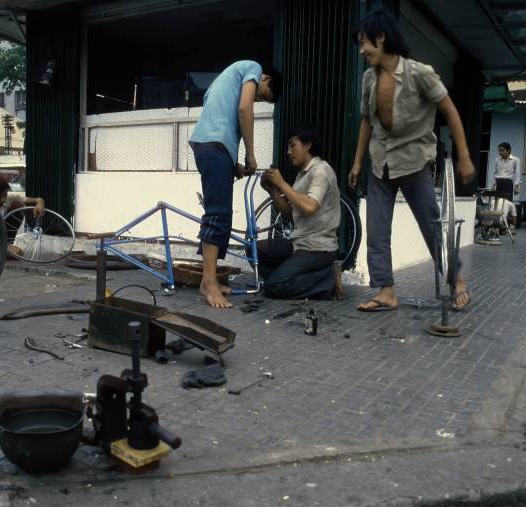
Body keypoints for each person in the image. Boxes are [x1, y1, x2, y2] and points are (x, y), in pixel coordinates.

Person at [348, 10, 475, 312]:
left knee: (432, 226)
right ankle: (386, 291)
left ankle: (456, 278)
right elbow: (367, 122)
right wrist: (356, 162)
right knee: (377, 229)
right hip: (381, 163)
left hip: (415, 162)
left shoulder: (420, 73)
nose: (362, 50)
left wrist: (465, 156)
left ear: (381, 38)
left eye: (365, 42)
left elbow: (450, 111)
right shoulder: (369, 79)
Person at [188, 60, 282, 308]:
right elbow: (243, 110)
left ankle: (211, 280)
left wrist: (232, 164)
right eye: (263, 96)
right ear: (265, 79)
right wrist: (250, 154)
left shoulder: (222, 81)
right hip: (213, 147)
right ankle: (208, 283)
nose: (257, 101)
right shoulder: (252, 67)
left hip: (211, 146)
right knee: (217, 215)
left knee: (222, 216)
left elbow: (216, 119)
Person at [259, 127, 342, 300]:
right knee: (254, 251)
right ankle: (292, 276)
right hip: (299, 244)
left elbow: (310, 206)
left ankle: (328, 280)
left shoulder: (321, 170)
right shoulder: (301, 176)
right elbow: (291, 215)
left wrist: (282, 184)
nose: (288, 152)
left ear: (308, 145)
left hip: (318, 249)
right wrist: (272, 191)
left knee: (274, 286)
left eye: (292, 146)